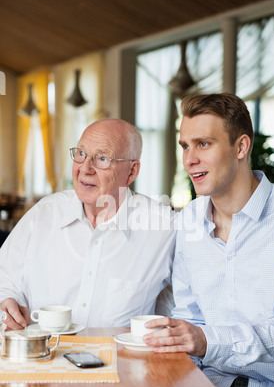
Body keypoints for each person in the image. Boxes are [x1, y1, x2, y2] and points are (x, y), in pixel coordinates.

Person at [144, 93, 274, 387]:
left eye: (203, 143)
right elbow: (192, 315)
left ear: (241, 146)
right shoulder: (189, 221)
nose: (189, 159)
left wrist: (207, 340)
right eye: (185, 145)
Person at [0, 118, 176, 331]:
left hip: (122, 362)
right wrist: (7, 300)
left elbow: (185, 308)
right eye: (81, 154)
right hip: (43, 358)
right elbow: (5, 278)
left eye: (102, 158)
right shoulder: (43, 214)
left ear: (132, 172)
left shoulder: (163, 227)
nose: (85, 168)